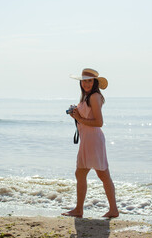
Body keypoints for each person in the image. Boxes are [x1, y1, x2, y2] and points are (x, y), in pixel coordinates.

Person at [62, 68, 119, 218]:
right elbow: (88, 119)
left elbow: (99, 122)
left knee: (103, 174)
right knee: (80, 173)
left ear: (94, 82)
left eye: (89, 81)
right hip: (87, 140)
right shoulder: (86, 96)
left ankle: (113, 210)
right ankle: (79, 210)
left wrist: (80, 119)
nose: (86, 83)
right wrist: (76, 114)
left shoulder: (94, 96)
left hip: (93, 140)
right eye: (84, 81)